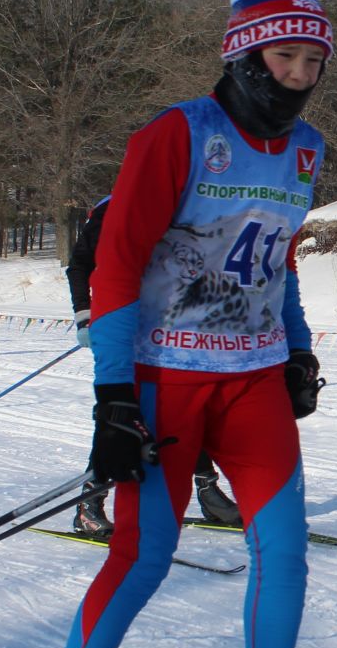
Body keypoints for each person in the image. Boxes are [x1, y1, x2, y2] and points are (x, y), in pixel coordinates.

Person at [15, 0, 336, 648]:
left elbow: (278, 259)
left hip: (253, 376)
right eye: (285, 55)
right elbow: (118, 264)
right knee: (144, 554)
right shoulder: (177, 135)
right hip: (164, 377)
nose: (300, 73)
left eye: (313, 59)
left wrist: (298, 347)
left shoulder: (307, 151)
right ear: (244, 54)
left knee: (284, 546)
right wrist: (112, 395)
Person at [66, 194, 242, 537]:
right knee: (122, 411)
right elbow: (80, 265)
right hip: (121, 324)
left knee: (192, 406)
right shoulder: (114, 207)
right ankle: (90, 504)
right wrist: (84, 316)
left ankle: (208, 492)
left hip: (172, 326)